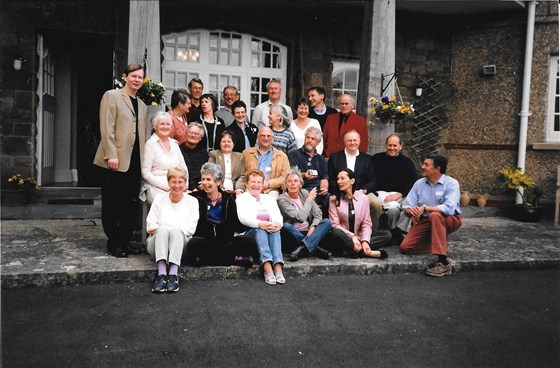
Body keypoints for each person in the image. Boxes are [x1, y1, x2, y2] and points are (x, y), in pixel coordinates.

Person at [93, 63, 147, 258]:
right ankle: (114, 242)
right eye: (134, 76)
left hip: (134, 162)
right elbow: (107, 127)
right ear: (125, 77)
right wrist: (111, 154)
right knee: (112, 203)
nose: (137, 80)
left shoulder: (141, 105)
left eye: (140, 77)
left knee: (130, 204)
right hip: (114, 160)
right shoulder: (112, 96)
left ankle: (124, 240)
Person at [400, 154, 462, 277]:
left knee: (435, 215)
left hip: (449, 220)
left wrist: (425, 208)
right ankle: (438, 242)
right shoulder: (419, 184)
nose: (422, 167)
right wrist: (413, 211)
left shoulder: (452, 183)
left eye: (426, 165)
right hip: (425, 221)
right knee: (405, 247)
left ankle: (443, 262)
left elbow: (449, 208)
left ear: (437, 169)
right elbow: (406, 206)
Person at [188, 163, 257, 268]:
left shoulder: (228, 198)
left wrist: (257, 224)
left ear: (218, 182)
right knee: (194, 243)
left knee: (249, 241)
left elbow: (236, 224)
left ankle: (208, 260)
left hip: (226, 242)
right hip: (206, 241)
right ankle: (232, 260)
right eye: (203, 179)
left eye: (208, 179)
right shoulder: (195, 198)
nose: (205, 183)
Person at [146, 167, 199, 293]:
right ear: (168, 183)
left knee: (175, 230)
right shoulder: (159, 199)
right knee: (163, 230)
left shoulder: (192, 201)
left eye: (180, 182)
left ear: (185, 183)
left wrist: (172, 230)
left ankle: (173, 275)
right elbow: (150, 225)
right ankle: (162, 273)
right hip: (157, 244)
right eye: (173, 182)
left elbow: (190, 229)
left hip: (181, 246)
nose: (177, 185)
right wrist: (162, 229)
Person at [328, 130, 383, 232]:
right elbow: (330, 179)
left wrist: (364, 191)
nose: (352, 143)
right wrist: (342, 191)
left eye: (355, 140)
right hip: (341, 192)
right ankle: (344, 235)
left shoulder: (367, 159)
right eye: (349, 140)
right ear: (345, 142)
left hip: (361, 192)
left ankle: (370, 234)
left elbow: (373, 180)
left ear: (359, 141)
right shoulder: (335, 157)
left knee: (376, 204)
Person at [328, 169, 391, 258]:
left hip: (360, 237)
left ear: (352, 181)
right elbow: (335, 225)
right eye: (338, 179)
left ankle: (355, 250)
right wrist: (352, 237)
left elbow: (366, 223)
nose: (339, 181)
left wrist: (365, 241)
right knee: (334, 233)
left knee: (387, 235)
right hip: (344, 237)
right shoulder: (333, 199)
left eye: (342, 178)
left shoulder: (363, 198)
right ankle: (368, 252)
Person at [236, 169, 285, 285]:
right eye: (253, 182)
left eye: (259, 182)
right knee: (261, 229)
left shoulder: (269, 199)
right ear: (246, 184)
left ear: (263, 184)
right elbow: (243, 218)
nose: (256, 185)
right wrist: (261, 223)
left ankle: (278, 266)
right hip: (248, 235)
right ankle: (267, 266)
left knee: (275, 229)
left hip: (268, 233)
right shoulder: (241, 198)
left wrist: (277, 224)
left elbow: (278, 217)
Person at [370, 134, 418, 244]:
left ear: (400, 146)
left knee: (410, 206)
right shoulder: (376, 159)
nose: (392, 148)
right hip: (382, 193)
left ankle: (400, 230)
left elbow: (413, 181)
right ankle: (393, 230)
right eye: (389, 145)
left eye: (395, 145)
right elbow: (372, 178)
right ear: (386, 146)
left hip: (401, 194)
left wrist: (400, 194)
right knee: (393, 207)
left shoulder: (407, 162)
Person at [277, 169, 332, 261]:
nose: (292, 184)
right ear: (286, 185)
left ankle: (302, 248)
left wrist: (313, 227)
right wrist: (309, 199)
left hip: (310, 232)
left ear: (300, 184)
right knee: (286, 226)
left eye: (295, 181)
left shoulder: (305, 193)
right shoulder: (282, 200)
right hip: (294, 234)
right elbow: (300, 217)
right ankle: (315, 248)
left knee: (327, 222)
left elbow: (318, 214)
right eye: (289, 181)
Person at [140, 111, 189, 204]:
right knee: (165, 205)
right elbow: (145, 172)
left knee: (187, 204)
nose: (165, 127)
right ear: (154, 126)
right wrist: (165, 186)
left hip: (177, 183)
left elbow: (183, 167)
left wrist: (185, 185)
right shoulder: (150, 144)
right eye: (162, 124)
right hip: (156, 185)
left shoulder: (174, 144)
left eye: (168, 124)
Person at [287, 127, 329, 212]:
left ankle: (324, 222)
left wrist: (324, 188)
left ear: (318, 142)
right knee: (308, 196)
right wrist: (304, 175)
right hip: (300, 189)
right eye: (308, 137)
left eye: (313, 139)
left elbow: (324, 178)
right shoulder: (294, 154)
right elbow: (291, 174)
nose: (309, 140)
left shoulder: (321, 159)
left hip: (317, 190)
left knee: (329, 197)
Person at [242, 126, 290, 198]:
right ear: (258, 138)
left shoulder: (282, 156)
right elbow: (242, 174)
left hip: (271, 190)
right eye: (263, 136)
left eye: (268, 136)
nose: (266, 138)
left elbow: (285, 177)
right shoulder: (247, 153)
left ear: (273, 139)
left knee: (272, 198)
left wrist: (268, 184)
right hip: (251, 188)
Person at [322, 93, 368, 158]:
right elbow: (324, 138)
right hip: (330, 156)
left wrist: (359, 159)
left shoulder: (360, 120)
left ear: (352, 105)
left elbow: (363, 143)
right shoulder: (330, 118)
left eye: (346, 104)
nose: (344, 106)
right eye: (341, 103)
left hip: (350, 157)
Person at [180, 122, 208, 191]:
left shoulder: (204, 153)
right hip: (182, 187)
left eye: (196, 134)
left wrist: (202, 184)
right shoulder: (178, 150)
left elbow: (206, 171)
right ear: (186, 134)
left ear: (200, 138)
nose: (193, 135)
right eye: (190, 132)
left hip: (201, 188)